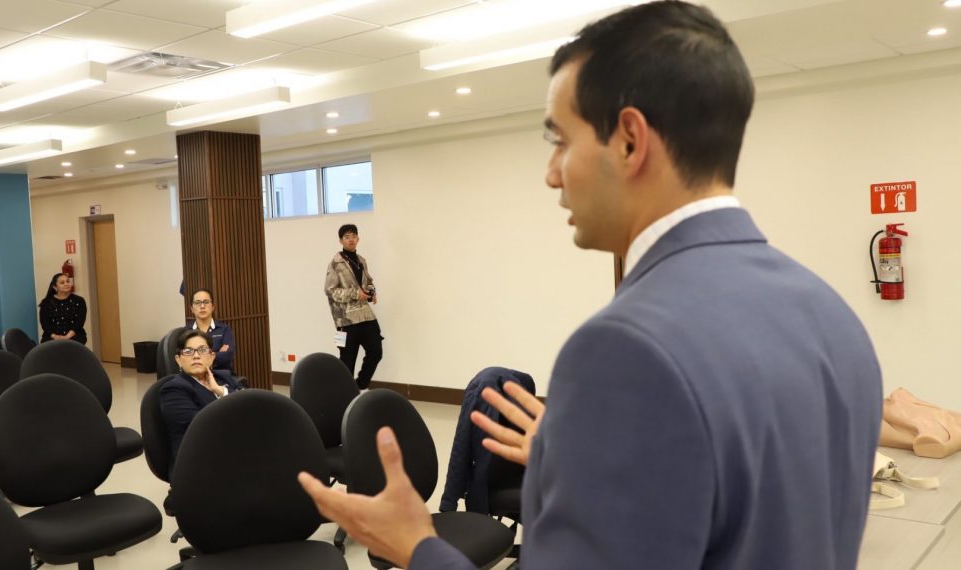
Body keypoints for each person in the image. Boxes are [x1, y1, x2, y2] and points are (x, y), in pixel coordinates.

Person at [298, 3, 883, 569]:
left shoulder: (624, 349)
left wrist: (417, 546)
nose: (552, 173)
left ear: (629, 139)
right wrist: (580, 464)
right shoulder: (830, 314)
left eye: (560, 141)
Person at [159, 329, 241, 466]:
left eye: (202, 350)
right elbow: (202, 427)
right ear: (178, 360)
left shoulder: (223, 377)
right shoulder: (174, 389)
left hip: (232, 451)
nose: (196, 356)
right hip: (198, 462)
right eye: (188, 351)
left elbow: (249, 405)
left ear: (212, 357)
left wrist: (220, 391)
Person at [324, 223, 383, 390]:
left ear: (358, 239)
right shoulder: (335, 263)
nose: (351, 240)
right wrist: (356, 294)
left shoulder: (361, 260)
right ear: (340, 241)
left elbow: (368, 281)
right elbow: (330, 291)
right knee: (347, 361)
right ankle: (345, 395)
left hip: (365, 315)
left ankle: (360, 386)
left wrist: (371, 292)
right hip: (345, 320)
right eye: (347, 237)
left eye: (353, 236)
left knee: (376, 351)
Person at [186, 288, 236, 376]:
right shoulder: (186, 332)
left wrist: (197, 357)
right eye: (197, 302)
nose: (202, 306)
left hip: (220, 376)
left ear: (212, 306)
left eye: (206, 302)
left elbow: (227, 356)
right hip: (194, 377)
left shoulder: (224, 329)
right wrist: (215, 354)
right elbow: (185, 358)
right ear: (192, 309)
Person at [38, 273, 87, 344]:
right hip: (52, 337)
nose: (66, 284)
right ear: (55, 287)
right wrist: (54, 336)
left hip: (75, 336)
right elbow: (45, 323)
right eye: (62, 283)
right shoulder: (46, 302)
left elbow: (79, 322)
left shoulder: (79, 301)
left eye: (68, 281)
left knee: (71, 345)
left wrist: (67, 337)